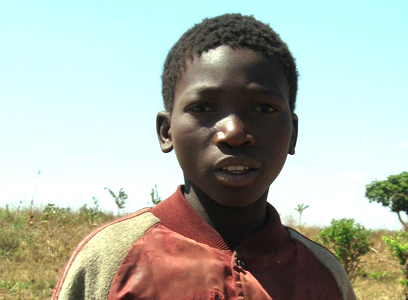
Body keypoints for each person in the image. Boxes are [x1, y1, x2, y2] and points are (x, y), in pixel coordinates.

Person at [52, 14, 356, 300]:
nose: (235, 132)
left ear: (292, 134)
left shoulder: (324, 274)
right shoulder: (109, 261)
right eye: (202, 108)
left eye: (263, 109)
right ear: (166, 131)